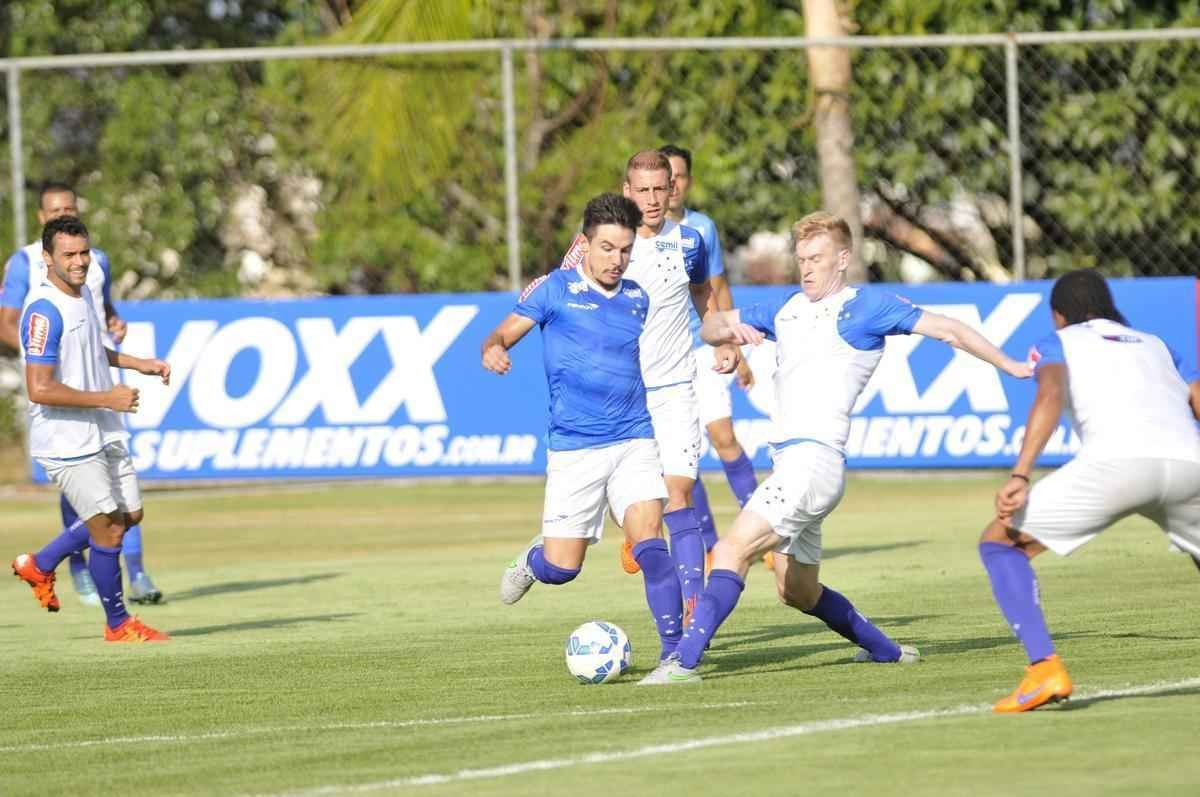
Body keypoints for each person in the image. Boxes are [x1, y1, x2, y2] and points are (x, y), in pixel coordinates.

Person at [639, 211, 1032, 684]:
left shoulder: (866, 307)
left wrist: (1010, 365)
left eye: (817, 258)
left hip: (812, 464)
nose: (806, 268)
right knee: (797, 592)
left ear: (843, 260)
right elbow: (709, 325)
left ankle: (682, 662)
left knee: (729, 551)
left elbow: (949, 328)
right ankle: (887, 651)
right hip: (799, 468)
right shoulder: (786, 309)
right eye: (801, 258)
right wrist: (727, 333)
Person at [979, 269, 1200, 712]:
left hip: (1115, 466)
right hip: (1190, 464)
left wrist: (1021, 474)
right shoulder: (1158, 345)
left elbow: (1050, 395)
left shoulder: (1059, 340)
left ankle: (1044, 669)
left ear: (1059, 315)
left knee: (1000, 544)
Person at [483, 193, 685, 663]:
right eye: (608, 249)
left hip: (635, 439)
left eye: (625, 250)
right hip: (575, 449)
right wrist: (494, 349)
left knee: (652, 544)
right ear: (585, 245)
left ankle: (677, 655)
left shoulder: (638, 297)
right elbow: (501, 332)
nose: (617, 260)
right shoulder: (553, 289)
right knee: (562, 568)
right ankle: (533, 561)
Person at [560, 151, 739, 620]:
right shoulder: (602, 246)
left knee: (680, 492)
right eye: (643, 190)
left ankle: (692, 609)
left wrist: (721, 338)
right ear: (627, 190)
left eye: (661, 188)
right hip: (619, 398)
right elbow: (562, 296)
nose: (654, 198)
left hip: (676, 386)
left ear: (672, 189)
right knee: (644, 514)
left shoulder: (690, 242)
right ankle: (638, 539)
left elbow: (703, 293)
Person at [0, 182, 163, 606]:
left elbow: (93, 341)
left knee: (128, 516)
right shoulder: (42, 307)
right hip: (67, 430)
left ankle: (41, 562)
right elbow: (39, 387)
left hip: (100, 421)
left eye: (83, 253)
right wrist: (104, 395)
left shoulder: (86, 289)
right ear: (47, 257)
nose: (79, 261)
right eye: (69, 255)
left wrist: (136, 362)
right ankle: (118, 622)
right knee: (106, 525)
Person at [660, 144, 759, 557]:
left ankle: (764, 531)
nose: (673, 186)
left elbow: (715, 288)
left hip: (703, 345)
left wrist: (732, 340)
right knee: (682, 453)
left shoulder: (702, 228)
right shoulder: (637, 234)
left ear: (688, 182)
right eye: (666, 179)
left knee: (722, 436)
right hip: (664, 355)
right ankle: (707, 544)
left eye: (679, 177)